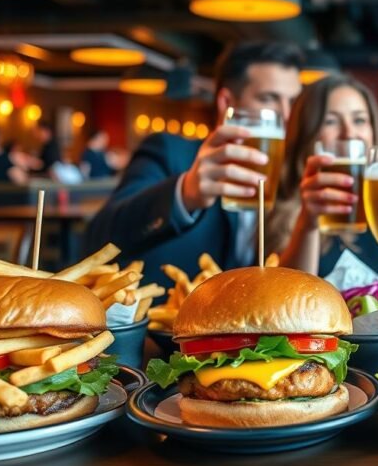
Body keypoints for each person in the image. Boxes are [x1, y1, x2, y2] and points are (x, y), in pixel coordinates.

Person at [85, 42, 304, 286]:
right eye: (269, 99)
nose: (287, 116)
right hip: (176, 321)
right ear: (227, 103)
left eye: (293, 102)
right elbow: (99, 241)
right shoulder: (171, 152)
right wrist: (185, 193)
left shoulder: (297, 175)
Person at [272, 74, 378, 286]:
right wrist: (308, 222)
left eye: (359, 120)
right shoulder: (274, 203)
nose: (349, 133)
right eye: (330, 121)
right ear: (305, 133)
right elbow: (290, 299)